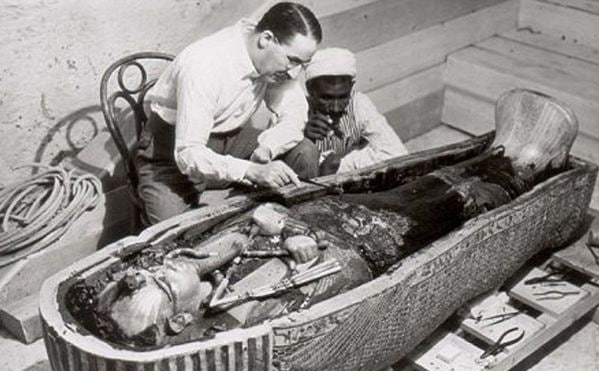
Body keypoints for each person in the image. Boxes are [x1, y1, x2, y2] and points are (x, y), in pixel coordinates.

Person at [136, 2, 323, 225]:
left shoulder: (272, 59)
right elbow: (189, 153)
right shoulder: (205, 64)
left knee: (305, 151)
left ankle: (296, 227)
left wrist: (268, 147)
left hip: (229, 142)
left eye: (303, 64)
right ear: (266, 39)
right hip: (170, 155)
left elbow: (294, 114)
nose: (294, 73)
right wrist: (250, 170)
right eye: (292, 60)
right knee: (176, 234)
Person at [303, 48, 408, 175]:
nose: (336, 108)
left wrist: (340, 164)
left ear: (351, 87)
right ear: (310, 90)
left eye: (343, 97)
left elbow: (397, 153)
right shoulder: (298, 109)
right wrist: (303, 139)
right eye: (326, 98)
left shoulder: (359, 104)